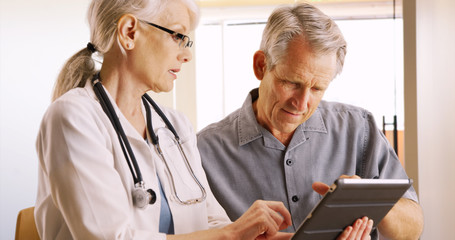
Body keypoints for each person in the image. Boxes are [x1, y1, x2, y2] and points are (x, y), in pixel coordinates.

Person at [34, 0, 298, 239]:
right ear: (129, 32)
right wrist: (230, 235)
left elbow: (211, 221)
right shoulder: (73, 117)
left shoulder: (175, 126)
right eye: (177, 36)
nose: (187, 54)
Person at [197, 3, 424, 240]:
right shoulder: (202, 151)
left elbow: (413, 228)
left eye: (317, 88)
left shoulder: (359, 128)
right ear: (261, 66)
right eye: (292, 83)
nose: (302, 103)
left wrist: (368, 201)